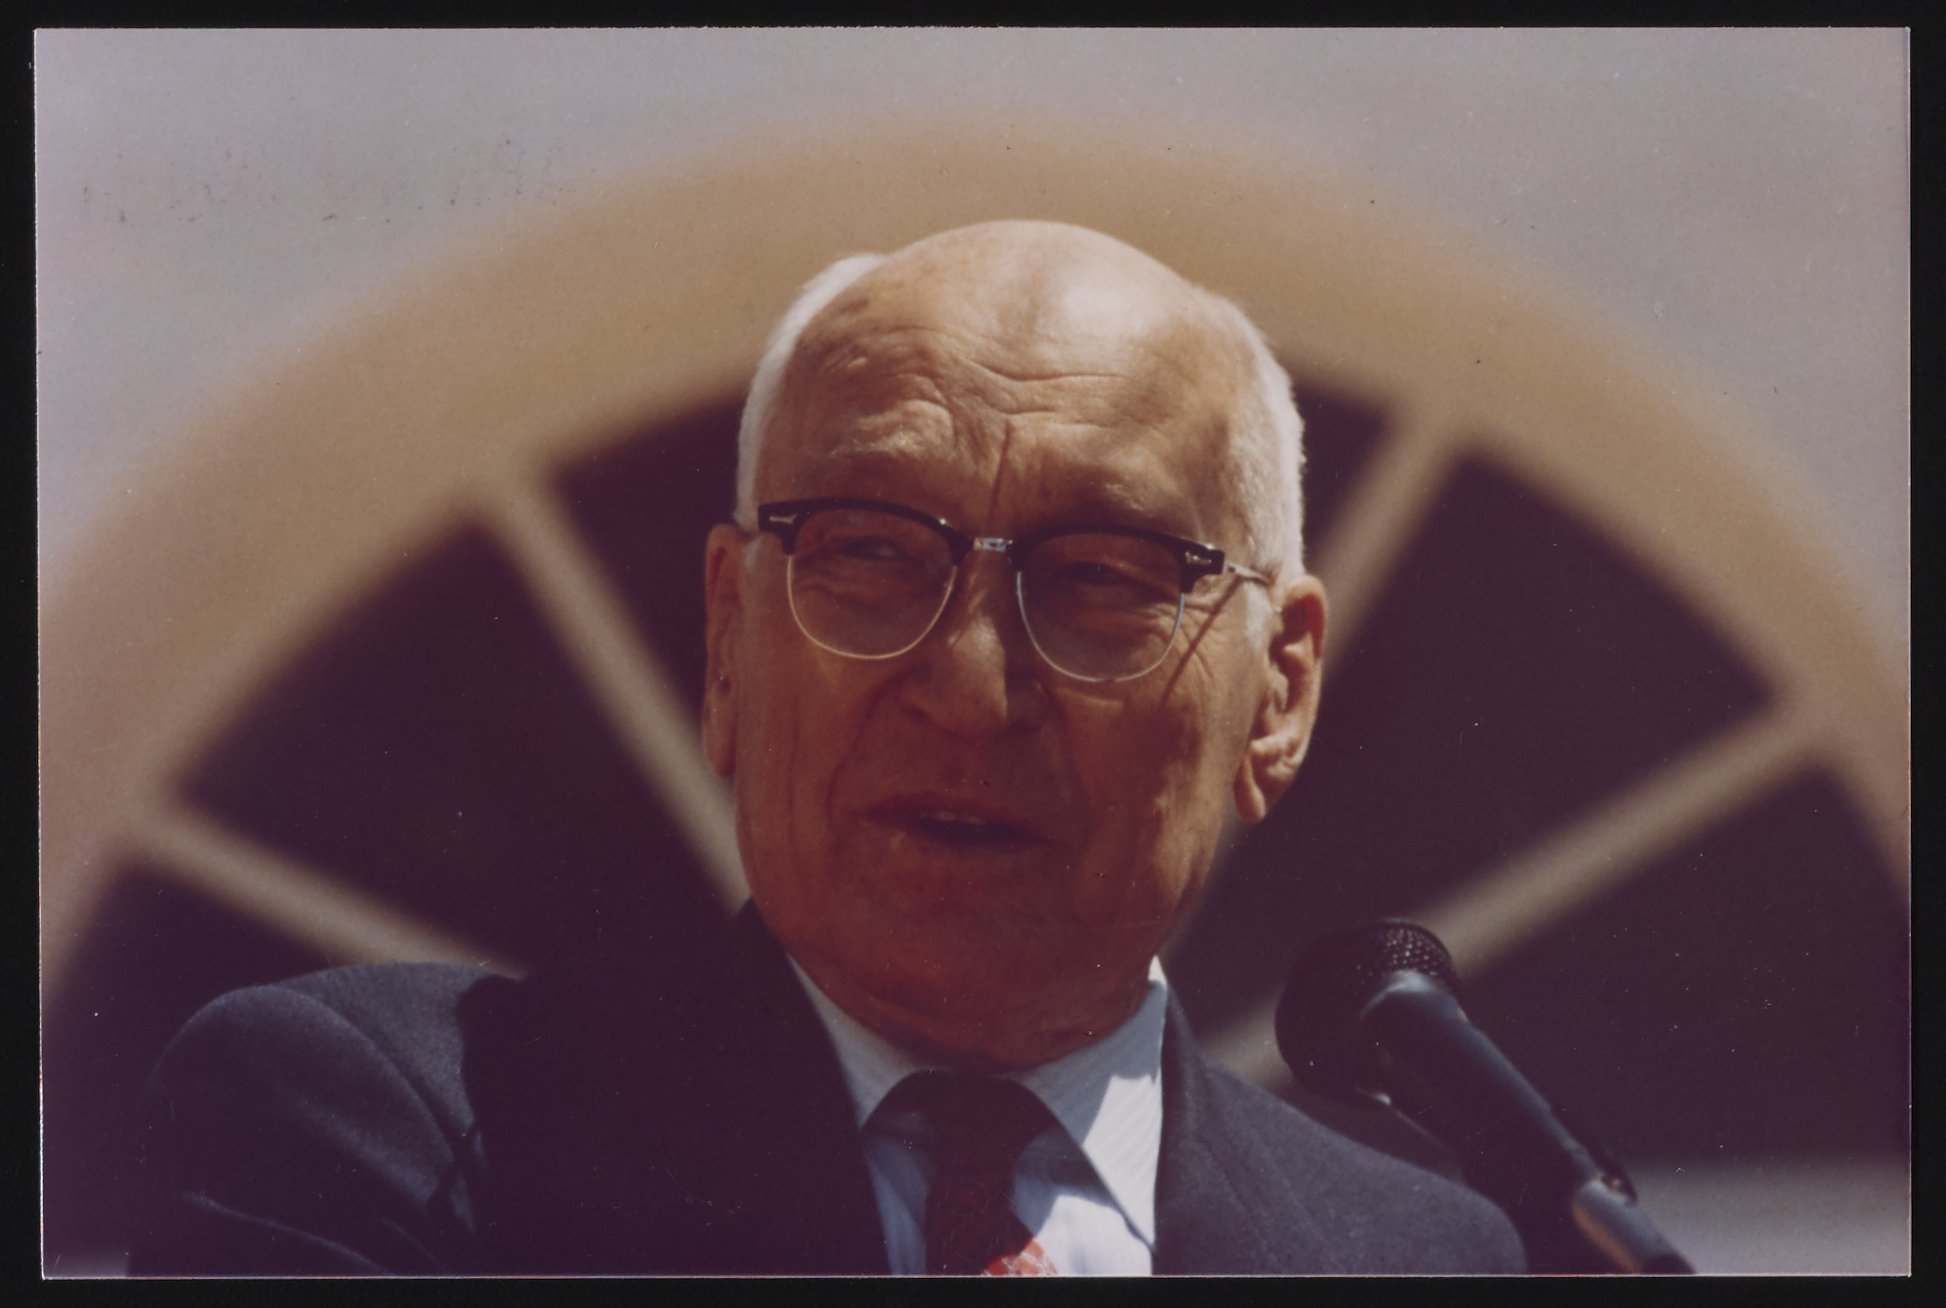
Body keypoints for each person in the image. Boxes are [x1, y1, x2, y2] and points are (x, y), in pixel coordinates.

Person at [130, 220, 1524, 1276]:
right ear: (730, 644)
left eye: (1100, 576)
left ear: (1277, 692)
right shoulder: (384, 1134)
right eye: (867, 554)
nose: (970, 689)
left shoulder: (1424, 1260)